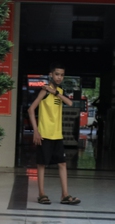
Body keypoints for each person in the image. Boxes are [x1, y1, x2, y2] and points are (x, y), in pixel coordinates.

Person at [27, 64, 80, 205]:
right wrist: (36, 131)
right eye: (57, 74)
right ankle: (42, 194)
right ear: (51, 74)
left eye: (62, 75)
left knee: (62, 164)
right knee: (42, 164)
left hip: (57, 135)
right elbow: (31, 109)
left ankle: (65, 195)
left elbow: (69, 103)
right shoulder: (44, 91)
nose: (59, 77)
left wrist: (55, 92)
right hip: (44, 134)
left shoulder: (60, 91)